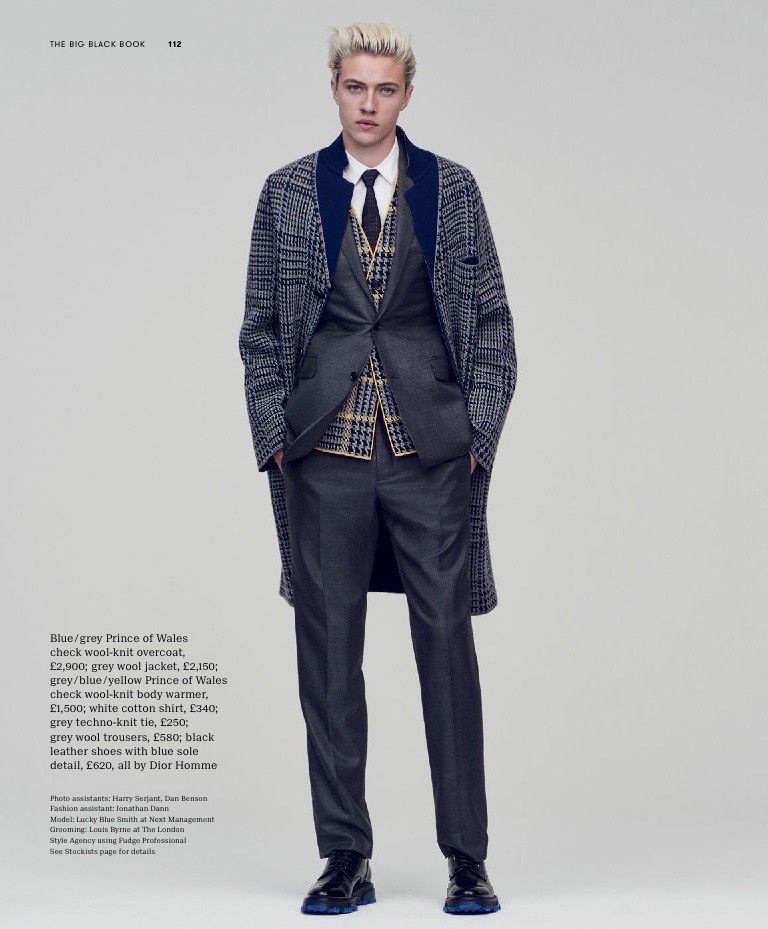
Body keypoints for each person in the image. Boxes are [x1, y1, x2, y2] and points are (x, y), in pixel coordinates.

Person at [239, 21, 517, 916]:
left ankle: (467, 859)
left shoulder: (451, 188)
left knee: (447, 651)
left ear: (406, 95)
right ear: (334, 89)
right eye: (355, 87)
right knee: (327, 658)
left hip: (429, 450)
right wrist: (275, 433)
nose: (368, 104)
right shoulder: (288, 191)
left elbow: (492, 323)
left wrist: (477, 432)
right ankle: (344, 857)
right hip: (323, 451)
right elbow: (259, 330)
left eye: (384, 89)